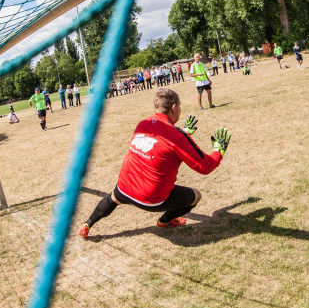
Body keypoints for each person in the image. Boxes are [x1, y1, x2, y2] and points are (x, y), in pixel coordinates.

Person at [78, 88, 231, 238]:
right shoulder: (177, 137)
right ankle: (164, 221)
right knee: (196, 196)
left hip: (125, 187)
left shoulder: (142, 124)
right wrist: (219, 151)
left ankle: (87, 224)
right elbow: (205, 167)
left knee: (112, 198)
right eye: (180, 106)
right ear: (174, 108)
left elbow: (158, 144)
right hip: (152, 199)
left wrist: (182, 132)